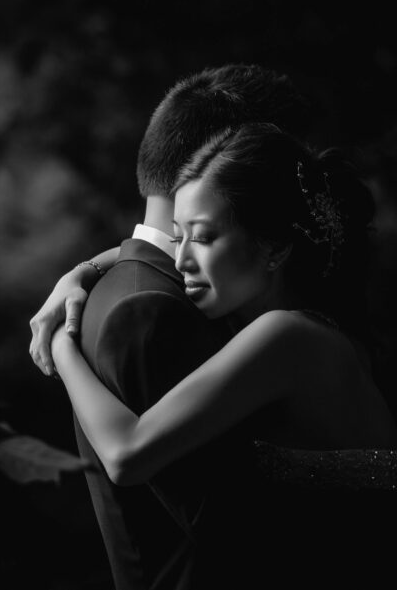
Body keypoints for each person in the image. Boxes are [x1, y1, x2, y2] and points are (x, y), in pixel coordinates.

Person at [52, 123, 397, 587]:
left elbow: (126, 454)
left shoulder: (286, 338)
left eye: (204, 238)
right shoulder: (303, 328)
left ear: (273, 248)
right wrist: (83, 271)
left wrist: (60, 340)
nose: (181, 260)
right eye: (178, 237)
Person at [29, 64, 314, 590]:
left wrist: (85, 267)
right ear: (217, 163)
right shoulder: (147, 313)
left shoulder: (150, 285)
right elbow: (235, 527)